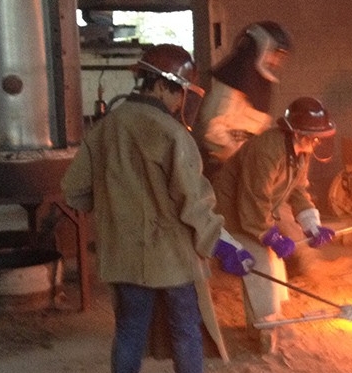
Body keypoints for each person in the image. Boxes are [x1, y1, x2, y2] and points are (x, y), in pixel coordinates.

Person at [60, 44, 255, 373]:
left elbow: (73, 190)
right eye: (178, 91)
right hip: (172, 259)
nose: (180, 100)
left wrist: (112, 209)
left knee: (129, 331)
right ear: (163, 85)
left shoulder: (104, 129)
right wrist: (224, 245)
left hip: (122, 254)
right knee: (185, 330)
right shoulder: (173, 134)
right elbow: (194, 203)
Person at [212, 96, 337, 353]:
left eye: (318, 136)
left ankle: (264, 322)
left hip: (255, 211)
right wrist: (270, 235)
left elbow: (298, 189)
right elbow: (253, 199)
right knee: (262, 263)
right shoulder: (266, 150)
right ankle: (264, 328)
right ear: (297, 132)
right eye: (312, 136)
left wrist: (312, 224)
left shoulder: (301, 151)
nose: (316, 142)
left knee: (276, 266)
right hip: (232, 214)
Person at [192, 21, 292, 175]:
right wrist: (241, 157)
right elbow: (211, 130)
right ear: (260, 47)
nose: (276, 62)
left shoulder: (258, 84)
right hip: (223, 170)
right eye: (275, 54)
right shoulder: (231, 83)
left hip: (244, 168)